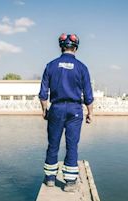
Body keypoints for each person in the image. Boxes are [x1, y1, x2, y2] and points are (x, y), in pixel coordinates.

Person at [38, 33, 94, 192]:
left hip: (56, 108)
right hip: (75, 110)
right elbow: (88, 95)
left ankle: (50, 179)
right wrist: (90, 113)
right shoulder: (82, 67)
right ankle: (69, 182)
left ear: (61, 47)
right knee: (72, 145)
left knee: (53, 144)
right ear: (75, 48)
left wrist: (44, 110)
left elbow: (43, 94)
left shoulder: (50, 65)